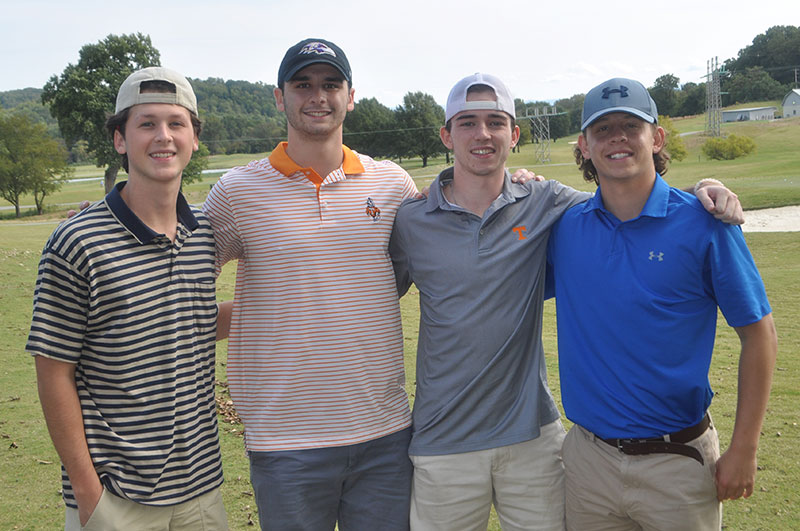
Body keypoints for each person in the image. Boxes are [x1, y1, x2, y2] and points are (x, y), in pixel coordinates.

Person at [388, 73, 744, 531]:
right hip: (442, 440)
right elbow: (373, 296)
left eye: (496, 122)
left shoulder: (546, 202)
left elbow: (627, 194)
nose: (482, 134)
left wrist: (704, 189)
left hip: (533, 438)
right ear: (446, 135)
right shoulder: (412, 220)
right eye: (467, 123)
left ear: (514, 135)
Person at [203, 38, 418, 530]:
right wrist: (255, 313)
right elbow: (181, 290)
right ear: (280, 97)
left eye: (330, 84)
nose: (317, 96)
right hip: (286, 444)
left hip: (384, 436)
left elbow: (430, 261)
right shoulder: (237, 192)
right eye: (303, 85)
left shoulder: (391, 185)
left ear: (351, 95)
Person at [547, 77, 777, 530]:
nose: (618, 138)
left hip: (678, 463)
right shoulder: (567, 228)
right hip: (588, 464)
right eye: (603, 129)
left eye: (631, 126)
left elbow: (760, 335)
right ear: (584, 146)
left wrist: (744, 448)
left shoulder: (706, 224)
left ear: (657, 137)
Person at [27, 67, 228, 530]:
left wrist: (288, 305)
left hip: (202, 490)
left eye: (177, 124)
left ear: (194, 139)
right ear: (120, 139)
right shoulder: (77, 241)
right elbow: (54, 370)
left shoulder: (203, 232)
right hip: (117, 497)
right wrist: (87, 491)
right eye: (146, 124)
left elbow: (189, 320)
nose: (163, 136)